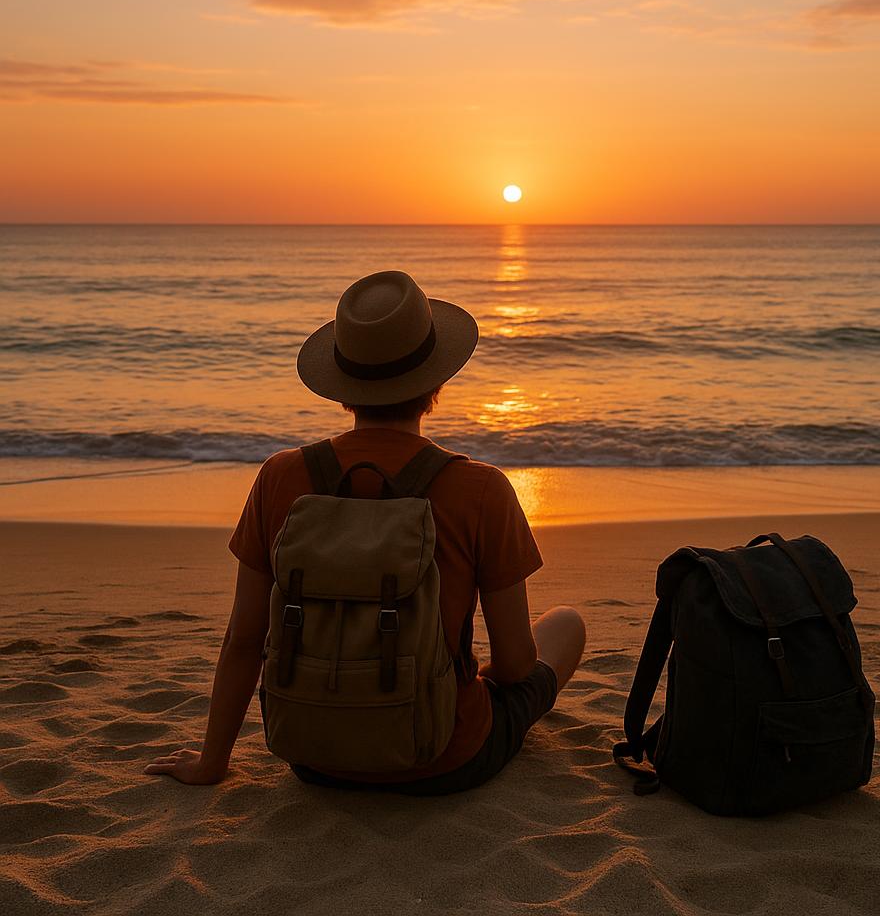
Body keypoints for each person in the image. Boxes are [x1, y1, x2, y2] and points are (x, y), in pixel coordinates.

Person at [144, 270, 586, 792]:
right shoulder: (481, 488)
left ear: (343, 386)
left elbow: (244, 641)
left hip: (312, 753)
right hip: (443, 757)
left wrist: (211, 763)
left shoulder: (282, 476)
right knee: (566, 624)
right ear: (436, 382)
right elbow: (514, 664)